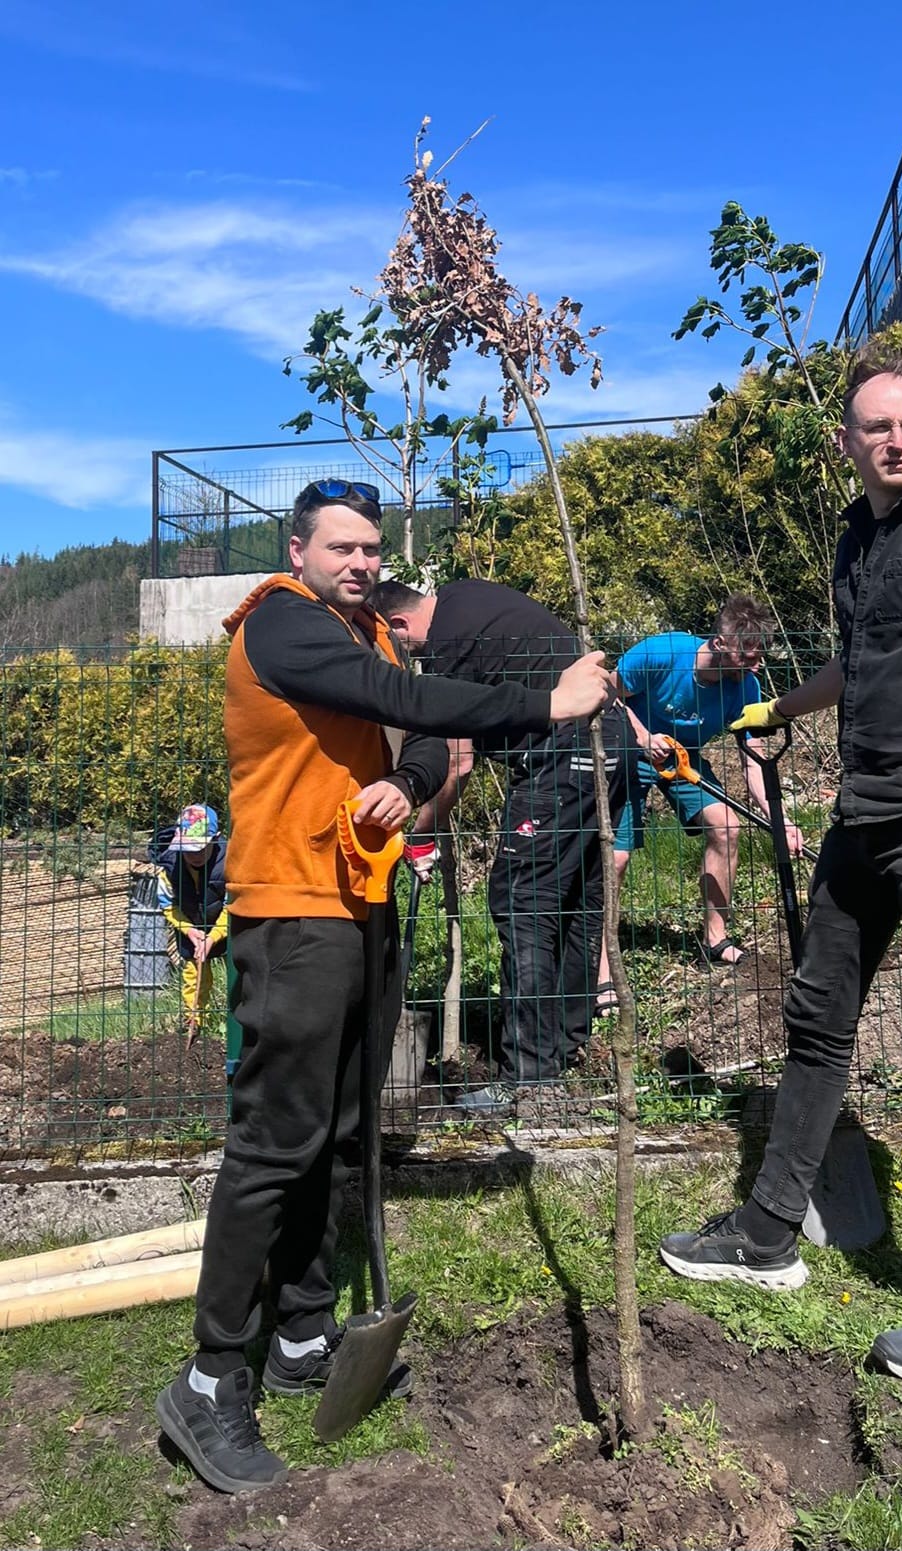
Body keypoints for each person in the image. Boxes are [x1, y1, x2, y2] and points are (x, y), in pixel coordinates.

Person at [155, 479, 614, 1494]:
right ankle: (206, 1378)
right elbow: (409, 703)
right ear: (299, 548)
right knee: (277, 1142)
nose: (361, 563)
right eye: (343, 547)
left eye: (371, 549)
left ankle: (303, 1336)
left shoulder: (372, 633)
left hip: (362, 905)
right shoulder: (281, 626)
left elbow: (417, 738)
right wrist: (546, 701)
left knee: (351, 1127)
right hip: (291, 910)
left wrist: (406, 786)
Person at [659, 350, 902, 1384]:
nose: (897, 439)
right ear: (848, 443)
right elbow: (864, 660)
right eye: (877, 426)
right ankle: (768, 1233)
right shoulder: (856, 539)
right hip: (862, 820)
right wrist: (780, 707)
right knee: (817, 1020)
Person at [370, 577, 631, 1116]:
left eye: (395, 645)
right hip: (615, 739)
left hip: (561, 755)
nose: (404, 657)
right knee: (580, 898)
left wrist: (418, 829)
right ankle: (566, 1043)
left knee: (522, 900)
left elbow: (459, 760)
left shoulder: (444, 646)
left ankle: (531, 1081)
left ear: (398, 625)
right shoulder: (466, 596)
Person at [594, 594, 803, 998]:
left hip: (683, 758)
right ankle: (603, 967)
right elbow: (608, 693)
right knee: (615, 857)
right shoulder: (661, 652)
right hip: (629, 751)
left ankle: (716, 938)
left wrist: (780, 818)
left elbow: (752, 758)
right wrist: (642, 737)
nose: (756, 666)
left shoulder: (746, 685)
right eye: (749, 655)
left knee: (726, 826)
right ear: (721, 643)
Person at [151, 803, 227, 1020]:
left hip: (226, 925)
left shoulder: (231, 863)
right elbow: (168, 905)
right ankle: (193, 1020)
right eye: (187, 848)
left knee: (237, 971)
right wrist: (189, 931)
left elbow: (232, 906)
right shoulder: (170, 868)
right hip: (189, 924)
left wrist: (213, 937)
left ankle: (237, 1027)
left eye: (201, 848)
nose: (194, 855)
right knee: (194, 975)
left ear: (216, 838)